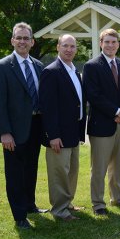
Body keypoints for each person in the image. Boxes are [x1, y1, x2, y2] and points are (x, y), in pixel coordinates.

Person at [0, 22, 48, 229]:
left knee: (31, 169)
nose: (22, 41)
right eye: (18, 38)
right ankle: (19, 216)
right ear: (12, 40)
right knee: (15, 173)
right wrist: (4, 132)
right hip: (13, 131)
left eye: (26, 38)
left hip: (35, 127)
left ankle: (30, 205)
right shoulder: (1, 67)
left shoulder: (39, 66)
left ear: (32, 42)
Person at [82, 28, 120, 215]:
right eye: (107, 42)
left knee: (118, 166)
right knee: (99, 168)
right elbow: (93, 96)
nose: (110, 45)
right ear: (101, 43)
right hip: (101, 125)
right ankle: (98, 203)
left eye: (114, 42)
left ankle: (118, 198)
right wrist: (116, 111)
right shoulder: (91, 66)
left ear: (118, 45)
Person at [39, 34, 86, 222]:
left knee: (72, 171)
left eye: (72, 46)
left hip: (73, 132)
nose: (69, 49)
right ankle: (59, 210)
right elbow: (47, 108)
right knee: (59, 173)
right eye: (65, 45)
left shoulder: (75, 71)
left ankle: (67, 203)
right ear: (58, 47)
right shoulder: (51, 72)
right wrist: (53, 135)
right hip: (58, 135)